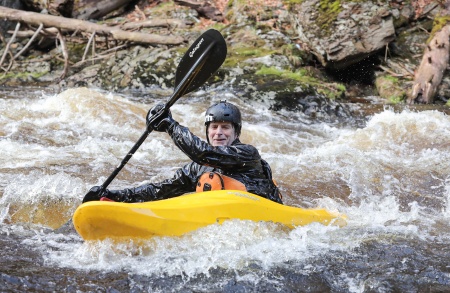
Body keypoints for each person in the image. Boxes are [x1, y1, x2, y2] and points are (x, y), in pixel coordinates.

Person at [83, 100, 283, 204]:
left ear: (236, 131)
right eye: (214, 127)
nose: (218, 133)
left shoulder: (247, 154)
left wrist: (170, 125)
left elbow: (204, 153)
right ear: (207, 130)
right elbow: (161, 190)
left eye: (225, 127)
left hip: (263, 218)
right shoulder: (197, 168)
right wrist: (113, 196)